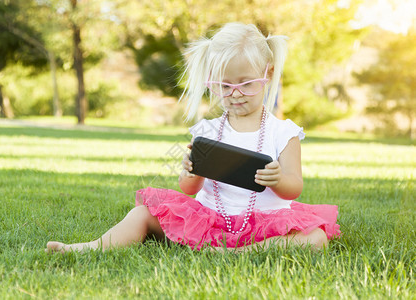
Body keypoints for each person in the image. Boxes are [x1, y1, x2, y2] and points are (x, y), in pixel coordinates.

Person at [46, 23, 340, 254]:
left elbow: (294, 188)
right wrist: (190, 171)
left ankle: (240, 253)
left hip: (265, 223)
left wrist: (277, 179)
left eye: (246, 84)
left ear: (268, 74)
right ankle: (90, 248)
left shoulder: (283, 132)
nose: (235, 93)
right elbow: (188, 189)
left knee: (315, 238)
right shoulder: (207, 131)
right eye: (223, 86)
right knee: (142, 214)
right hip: (209, 218)